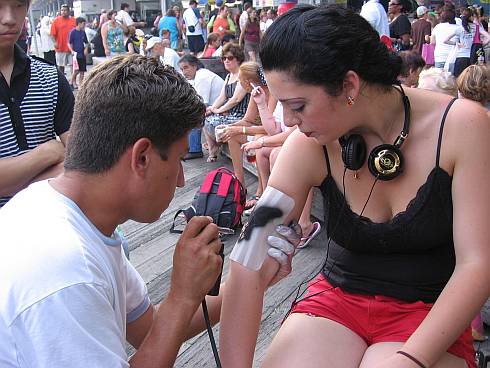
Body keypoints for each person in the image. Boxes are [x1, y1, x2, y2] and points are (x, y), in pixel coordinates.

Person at [220, 5, 490, 368]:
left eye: (297, 105)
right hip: (336, 302)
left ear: (349, 85)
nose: (287, 120)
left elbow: (478, 264)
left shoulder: (462, 125)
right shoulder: (309, 143)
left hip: (432, 313)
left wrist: (411, 358)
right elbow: (247, 260)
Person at [0, 51, 292, 367]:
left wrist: (255, 278)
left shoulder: (62, 213)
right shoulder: (64, 268)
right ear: (142, 158)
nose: (182, 182)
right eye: (180, 160)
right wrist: (181, 296)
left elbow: (150, 328)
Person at [0, 0, 74, 209]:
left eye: (19, 5)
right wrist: (49, 152)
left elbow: (82, 159)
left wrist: (13, 178)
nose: (9, 18)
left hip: (52, 221)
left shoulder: (49, 77)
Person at [203, 43, 249, 162]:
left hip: (242, 115)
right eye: (224, 58)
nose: (226, 61)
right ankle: (213, 147)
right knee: (204, 117)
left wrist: (218, 110)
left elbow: (236, 99)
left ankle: (215, 145)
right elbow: (222, 97)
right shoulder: (229, 76)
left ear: (238, 59)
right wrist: (212, 108)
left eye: (230, 58)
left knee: (214, 123)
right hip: (230, 113)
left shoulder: (243, 74)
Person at [179, 54, 225, 160]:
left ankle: (194, 149)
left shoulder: (202, 76)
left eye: (186, 67)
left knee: (193, 115)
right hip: (215, 108)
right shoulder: (198, 76)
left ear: (195, 66)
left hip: (222, 109)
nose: (184, 72)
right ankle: (194, 147)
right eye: (182, 69)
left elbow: (201, 104)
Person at [444, 7, 490, 77]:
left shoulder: (460, 28)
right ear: (471, 17)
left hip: (461, 57)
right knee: (472, 80)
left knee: (459, 80)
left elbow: (445, 40)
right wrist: (481, 44)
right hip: (473, 57)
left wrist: (456, 43)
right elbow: (488, 37)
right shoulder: (477, 27)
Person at [50, 4, 76, 75]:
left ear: (68, 11)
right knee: (61, 66)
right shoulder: (56, 21)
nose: (63, 12)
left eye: (65, 10)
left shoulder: (74, 20)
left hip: (72, 48)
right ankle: (62, 81)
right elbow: (52, 34)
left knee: (73, 66)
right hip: (60, 47)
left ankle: (73, 81)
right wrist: (54, 42)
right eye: (62, 10)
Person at [68, 17, 89, 89]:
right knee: (76, 70)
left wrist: (86, 49)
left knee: (82, 71)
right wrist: (72, 51)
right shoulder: (73, 32)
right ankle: (71, 81)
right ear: (79, 24)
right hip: (76, 54)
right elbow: (69, 43)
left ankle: (81, 85)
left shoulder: (83, 32)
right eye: (83, 24)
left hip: (82, 54)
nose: (84, 25)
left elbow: (86, 42)